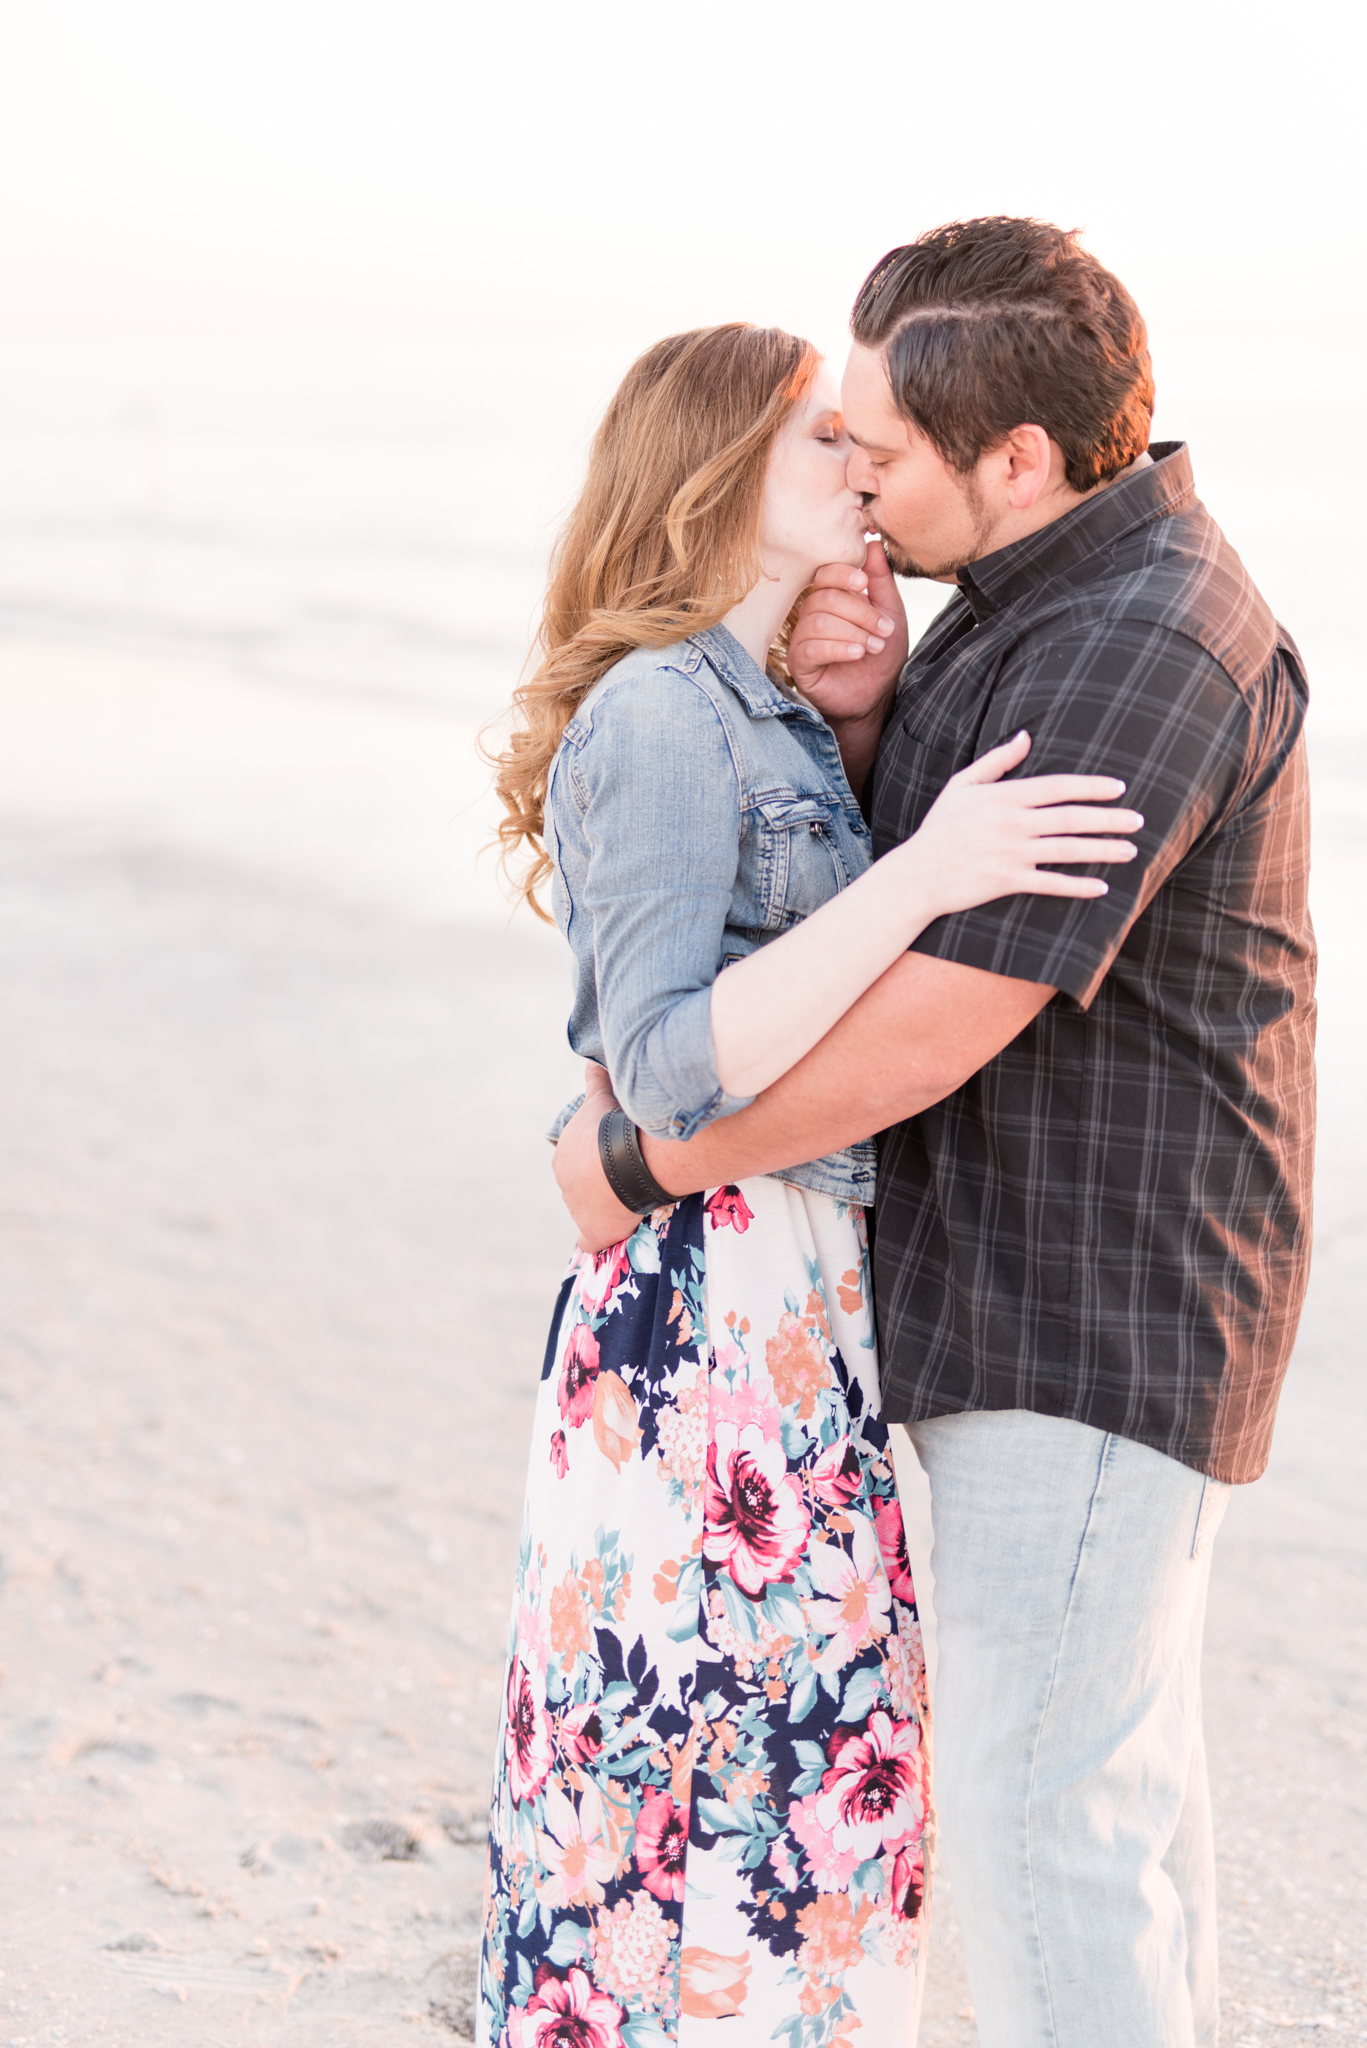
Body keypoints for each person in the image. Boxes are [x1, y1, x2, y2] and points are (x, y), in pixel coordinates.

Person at [552, 220, 1317, 2048]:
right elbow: (847, 898)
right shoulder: (1028, 604)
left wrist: (651, 1161)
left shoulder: (1145, 638)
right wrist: (874, 709)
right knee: (1105, 1806)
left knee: (1052, 1815)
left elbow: (941, 1014)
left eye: (881, 445)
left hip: (1098, 1315)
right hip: (1023, 1309)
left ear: (1023, 460)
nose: (864, 477)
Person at [478, 320, 1139, 2048]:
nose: (859, 462)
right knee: (707, 1772)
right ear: (714, 479)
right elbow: (677, 1059)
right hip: (704, 1305)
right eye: (818, 444)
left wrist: (857, 736)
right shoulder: (653, 710)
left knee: (807, 1763)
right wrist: (923, 871)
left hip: (794, 1288)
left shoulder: (763, 706)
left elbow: (778, 986)